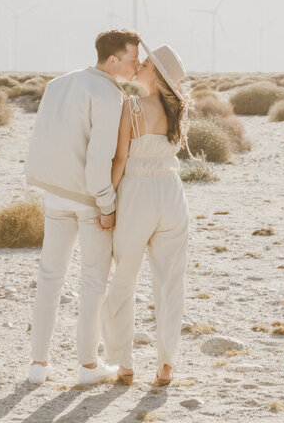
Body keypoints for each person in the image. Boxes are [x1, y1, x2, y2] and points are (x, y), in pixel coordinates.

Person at [24, 28, 141, 385]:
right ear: (111, 60)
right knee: (93, 283)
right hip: (89, 201)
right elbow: (98, 158)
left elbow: (42, 139)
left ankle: (37, 366)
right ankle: (88, 366)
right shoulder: (108, 94)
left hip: (54, 194)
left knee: (49, 279)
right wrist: (107, 204)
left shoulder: (58, 84)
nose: (137, 67)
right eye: (132, 60)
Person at [103, 42, 190, 387]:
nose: (138, 64)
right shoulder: (177, 110)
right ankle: (166, 364)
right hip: (171, 193)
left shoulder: (131, 106)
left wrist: (106, 203)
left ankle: (123, 362)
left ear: (154, 70)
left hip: (138, 193)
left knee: (123, 278)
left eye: (145, 62)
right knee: (171, 282)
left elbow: (120, 160)